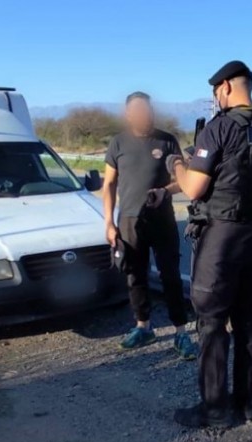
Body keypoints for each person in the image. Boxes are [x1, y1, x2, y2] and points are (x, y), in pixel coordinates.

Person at [167, 61, 252, 429]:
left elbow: (194, 188)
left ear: (226, 87)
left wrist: (176, 164)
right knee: (247, 319)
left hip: (222, 238)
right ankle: (247, 402)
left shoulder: (219, 129)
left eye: (216, 91)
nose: (215, 98)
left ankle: (215, 410)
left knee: (212, 322)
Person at [103, 92, 196, 360]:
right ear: (129, 114)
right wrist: (109, 223)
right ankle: (143, 326)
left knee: (170, 276)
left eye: (148, 110)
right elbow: (108, 185)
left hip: (162, 219)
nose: (146, 115)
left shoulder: (167, 140)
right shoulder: (118, 143)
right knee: (135, 275)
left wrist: (165, 192)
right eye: (139, 110)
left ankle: (180, 332)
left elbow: (182, 180)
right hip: (130, 220)